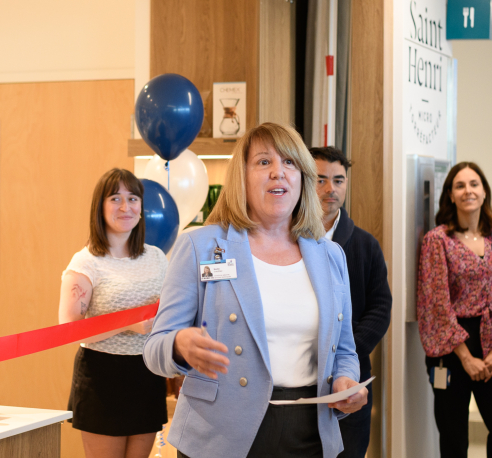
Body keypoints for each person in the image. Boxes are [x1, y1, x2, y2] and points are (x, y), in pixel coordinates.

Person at [143, 123, 367, 458]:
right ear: (242, 177)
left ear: (302, 178)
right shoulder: (199, 246)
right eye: (264, 162)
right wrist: (178, 344)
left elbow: (345, 351)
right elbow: (153, 349)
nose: (279, 172)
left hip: (310, 434)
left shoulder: (330, 255)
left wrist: (346, 381)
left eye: (289, 162)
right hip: (219, 435)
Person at [59, 168, 168, 458]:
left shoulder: (157, 258)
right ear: (100, 206)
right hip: (102, 376)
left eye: (132, 198)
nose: (125, 207)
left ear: (141, 207)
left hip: (148, 372)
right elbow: (68, 328)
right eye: (115, 198)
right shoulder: (86, 262)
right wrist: (129, 324)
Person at [310, 146, 392, 458]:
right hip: (298, 375)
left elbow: (380, 308)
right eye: (320, 179)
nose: (330, 189)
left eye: (339, 180)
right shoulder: (284, 240)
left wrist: (344, 351)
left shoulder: (366, 245)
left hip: (350, 375)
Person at [417, 162, 492, 457]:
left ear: (484, 192)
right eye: (460, 186)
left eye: (474, 184)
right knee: (454, 440)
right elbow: (435, 303)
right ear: (450, 194)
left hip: (489, 341)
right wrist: (467, 358)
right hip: (450, 347)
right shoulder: (438, 240)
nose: (468, 191)